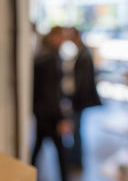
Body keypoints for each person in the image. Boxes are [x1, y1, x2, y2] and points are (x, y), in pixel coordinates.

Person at [31, 26, 69, 181]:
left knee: (38, 147)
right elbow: (51, 91)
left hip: (41, 110)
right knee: (60, 150)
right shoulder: (50, 59)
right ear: (54, 36)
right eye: (61, 37)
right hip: (50, 113)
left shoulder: (43, 53)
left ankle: (28, 172)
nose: (63, 40)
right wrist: (61, 118)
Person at [67, 27, 101, 168]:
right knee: (76, 128)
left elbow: (82, 81)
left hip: (79, 99)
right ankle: (75, 156)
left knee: (77, 128)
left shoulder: (84, 54)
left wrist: (72, 97)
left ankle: (77, 160)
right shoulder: (81, 52)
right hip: (79, 99)